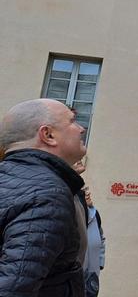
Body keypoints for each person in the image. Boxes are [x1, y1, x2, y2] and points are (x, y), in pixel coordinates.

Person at [0, 98, 88, 296]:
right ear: (48, 135)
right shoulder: (48, 193)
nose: (81, 129)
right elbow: (14, 288)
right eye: (72, 121)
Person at [83, 187, 105, 297]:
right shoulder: (70, 214)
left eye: (86, 189)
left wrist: (100, 262)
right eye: (83, 190)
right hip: (75, 276)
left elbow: (101, 237)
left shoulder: (95, 214)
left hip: (93, 274)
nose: (88, 193)